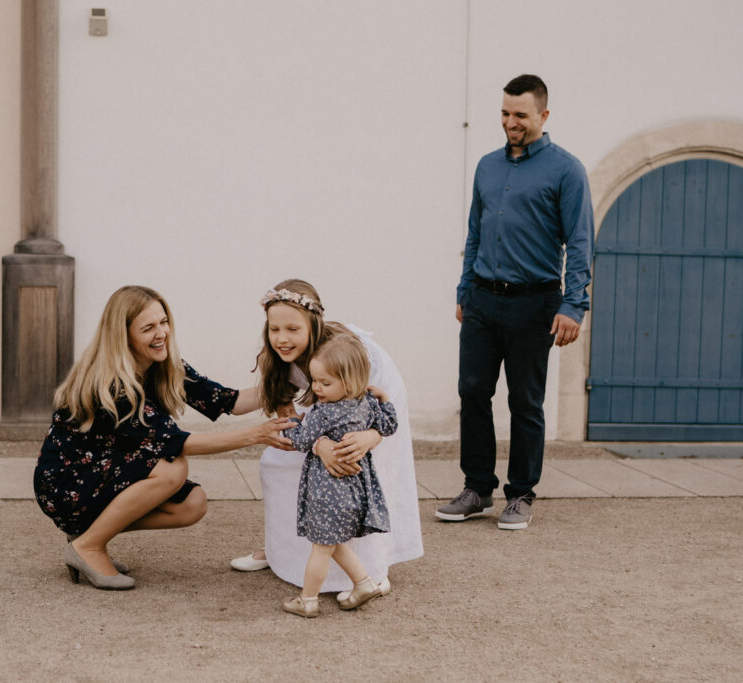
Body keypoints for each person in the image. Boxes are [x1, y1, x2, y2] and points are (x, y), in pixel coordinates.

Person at [34, 285, 292, 590]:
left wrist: (288, 382)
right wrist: (258, 434)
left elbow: (228, 401)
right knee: (172, 467)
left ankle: (90, 533)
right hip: (66, 484)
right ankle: (88, 546)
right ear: (123, 335)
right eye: (148, 328)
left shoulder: (163, 365)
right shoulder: (114, 384)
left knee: (192, 504)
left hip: (104, 473)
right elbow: (180, 444)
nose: (161, 333)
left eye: (163, 322)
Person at [440, 74, 593, 530]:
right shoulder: (486, 166)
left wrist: (573, 305)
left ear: (543, 115)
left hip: (535, 303)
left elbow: (581, 243)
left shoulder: (567, 170)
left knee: (525, 401)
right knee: (472, 392)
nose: (511, 122)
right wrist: (465, 290)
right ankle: (477, 488)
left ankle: (521, 493)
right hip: (483, 300)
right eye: (505, 114)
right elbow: (474, 232)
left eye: (521, 115)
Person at [230, 279, 424, 597]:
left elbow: (370, 404)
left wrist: (370, 437)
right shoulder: (276, 357)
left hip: (374, 399)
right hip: (330, 411)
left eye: (292, 329)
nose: (281, 338)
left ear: (313, 324)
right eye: (274, 329)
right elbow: (286, 411)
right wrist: (320, 446)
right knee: (276, 464)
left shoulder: (343, 350)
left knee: (360, 474)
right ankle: (280, 550)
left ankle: (374, 567)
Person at [279, 334, 398, 618]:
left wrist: (291, 424)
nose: (317, 388)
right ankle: (364, 583)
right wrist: (386, 399)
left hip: (327, 491)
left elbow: (300, 439)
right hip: (355, 491)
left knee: (321, 549)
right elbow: (389, 425)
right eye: (315, 380)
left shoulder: (323, 413)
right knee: (333, 542)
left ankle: (308, 599)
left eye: (325, 383)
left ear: (349, 380)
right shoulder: (367, 403)